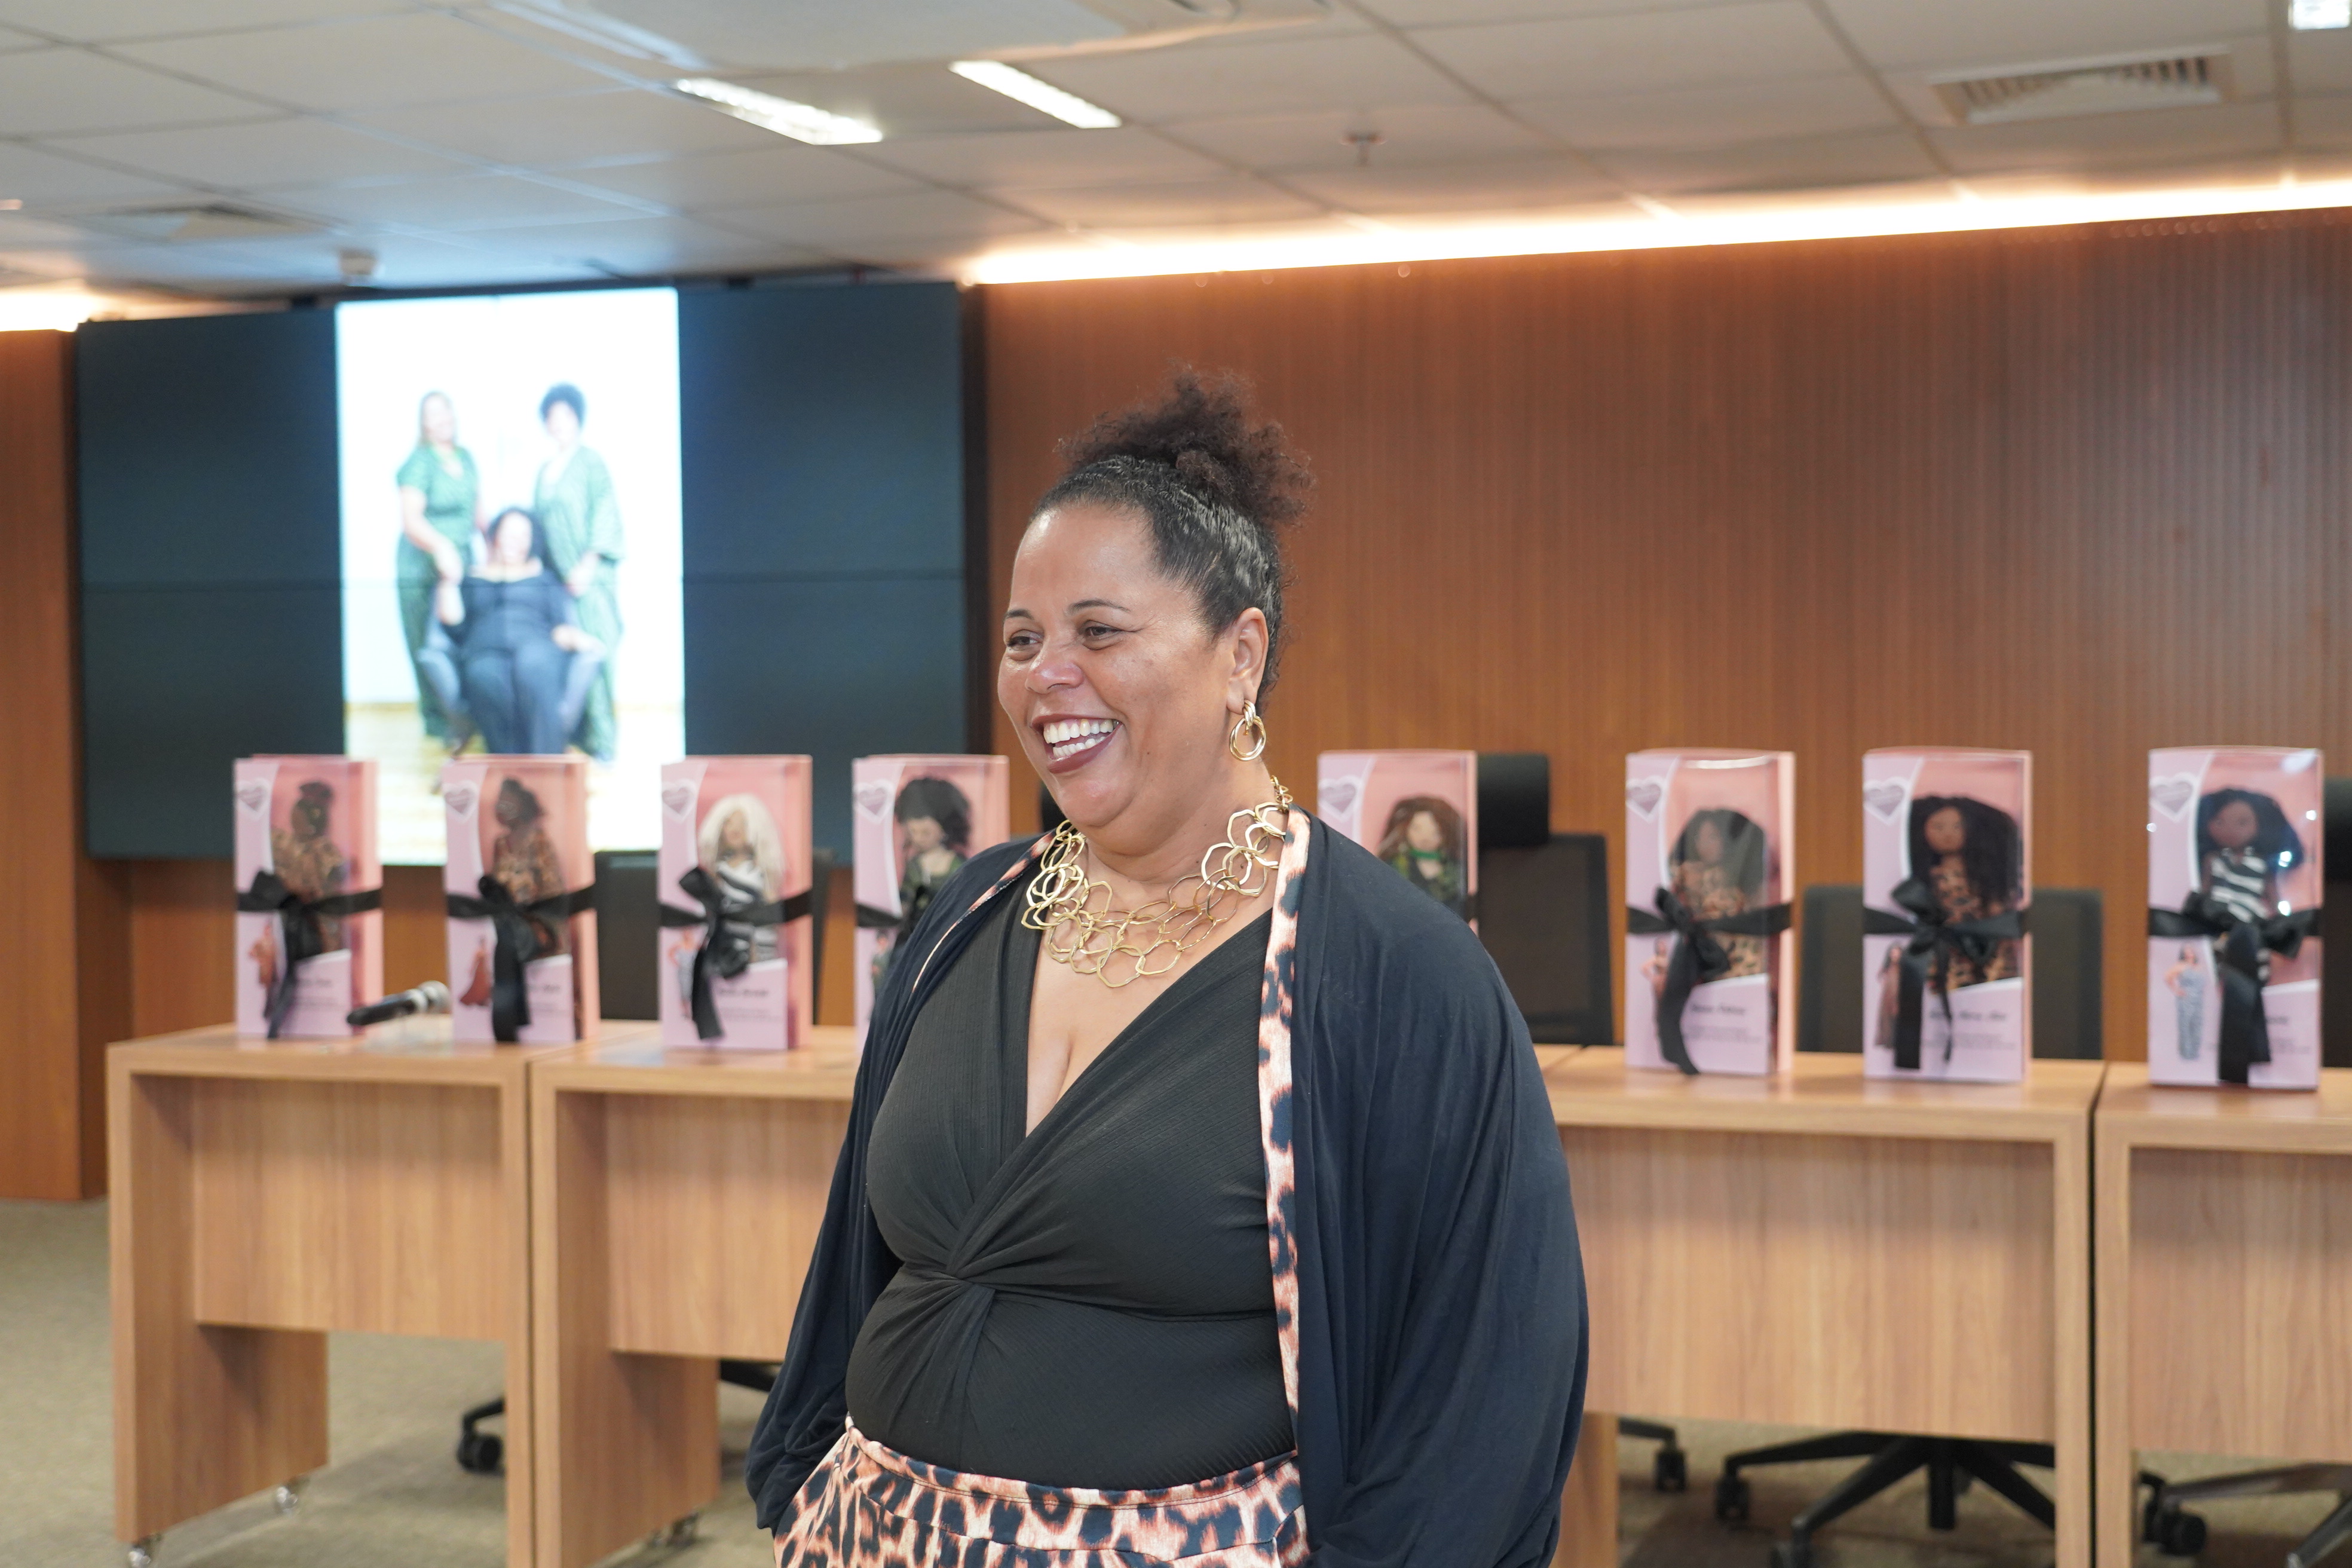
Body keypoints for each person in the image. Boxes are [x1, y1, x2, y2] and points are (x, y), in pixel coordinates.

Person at [748, 372, 1587, 1567]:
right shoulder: (967, 914)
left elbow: (1481, 1391)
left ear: (1240, 654)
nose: (1045, 674)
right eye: (1022, 638)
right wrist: (804, 1484)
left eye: (1099, 631)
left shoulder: (1392, 975)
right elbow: (857, 1265)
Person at [431, 507, 603, 757]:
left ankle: (544, 764)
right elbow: (453, 625)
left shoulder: (544, 580)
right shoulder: (472, 579)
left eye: (524, 536)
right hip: (484, 651)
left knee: (533, 669)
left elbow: (559, 627)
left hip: (536, 646)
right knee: (485, 677)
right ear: (495, 536)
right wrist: (447, 581)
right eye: (510, 534)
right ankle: (509, 768)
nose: (516, 541)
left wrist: (580, 640)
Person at [532, 383, 624, 762]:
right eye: (552, 416)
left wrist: (587, 566)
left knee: (598, 656)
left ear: (578, 418)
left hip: (591, 580)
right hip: (558, 584)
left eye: (566, 415)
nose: (559, 423)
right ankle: (580, 738)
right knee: (570, 659)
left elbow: (605, 512)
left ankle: (605, 743)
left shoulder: (590, 462)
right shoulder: (544, 472)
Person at [394, 392, 486, 745]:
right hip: (422, 564)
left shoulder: (467, 458)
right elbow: (412, 521)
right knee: (427, 644)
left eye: (444, 411)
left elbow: (479, 514)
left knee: (466, 637)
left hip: (464, 562)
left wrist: (497, 549)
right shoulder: (419, 462)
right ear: (424, 422)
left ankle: (470, 716)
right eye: (432, 414)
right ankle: (440, 721)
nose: (441, 419)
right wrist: (442, 548)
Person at [1906, 795, 2023, 988]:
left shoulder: (1982, 879)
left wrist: (1995, 920)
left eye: (1958, 827)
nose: (1948, 834)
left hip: (1981, 944)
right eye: (1938, 827)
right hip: (1942, 948)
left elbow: (1997, 911)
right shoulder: (1927, 880)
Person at [869, 776, 974, 990]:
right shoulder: (914, 866)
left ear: (945, 829)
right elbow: (905, 900)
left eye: (926, 832)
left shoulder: (958, 865)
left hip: (948, 936)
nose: (919, 838)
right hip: (914, 935)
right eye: (913, 832)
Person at [1668, 807, 1769, 978]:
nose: (1704, 845)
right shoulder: (1688, 875)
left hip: (1740, 963)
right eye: (1698, 838)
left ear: (1725, 840)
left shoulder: (1730, 883)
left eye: (1713, 837)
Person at [698, 794, 788, 966]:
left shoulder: (758, 872)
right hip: (725, 945)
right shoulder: (719, 873)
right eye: (728, 823)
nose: (735, 829)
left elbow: (772, 909)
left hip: (757, 943)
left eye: (743, 824)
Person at [487, 776, 567, 957]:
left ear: (523, 806)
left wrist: (542, 927)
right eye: (500, 804)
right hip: (508, 931)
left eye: (508, 804)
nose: (501, 809)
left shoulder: (538, 841)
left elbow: (552, 890)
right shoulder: (500, 844)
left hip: (538, 932)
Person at [1375, 795, 1468, 918]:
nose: (1425, 838)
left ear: (1445, 832)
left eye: (1435, 831)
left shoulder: (1457, 869)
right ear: (1405, 829)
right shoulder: (1393, 867)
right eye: (1417, 829)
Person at [2163, 942, 2207, 1061]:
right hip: (2186, 1000)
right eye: (2186, 952)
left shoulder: (2199, 967)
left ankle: (2195, 1052)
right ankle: (2186, 1053)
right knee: (2186, 1025)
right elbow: (2167, 976)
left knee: (2197, 1025)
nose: (2189, 954)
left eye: (2191, 951)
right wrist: (2176, 990)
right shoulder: (2181, 966)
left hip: (2198, 1000)